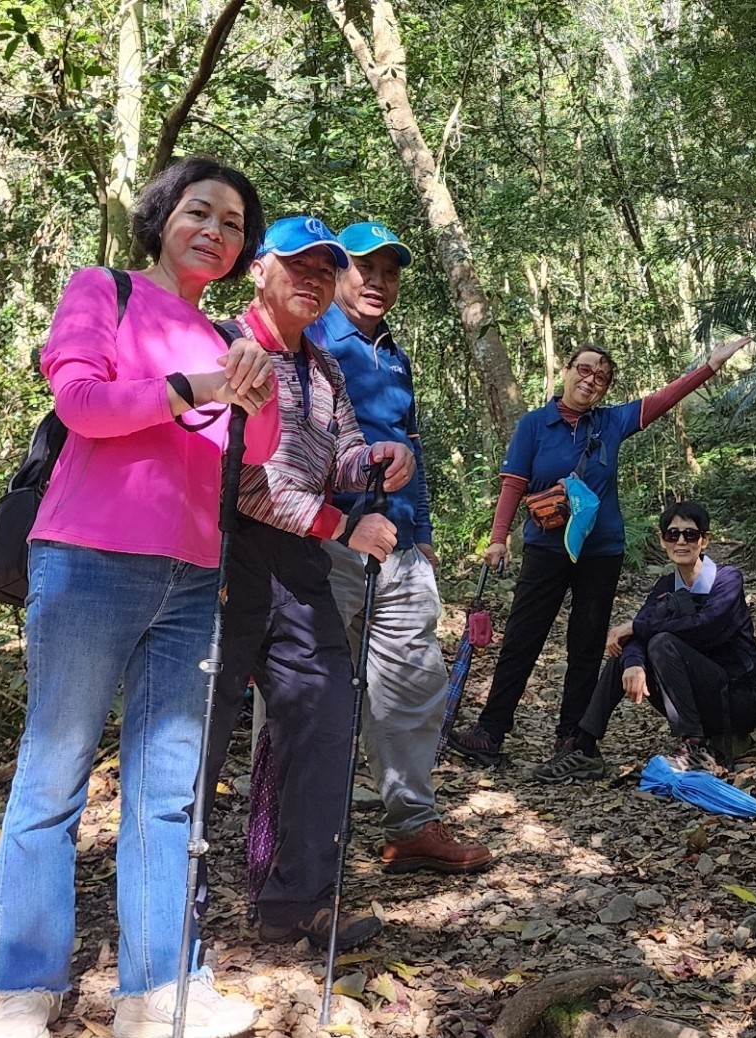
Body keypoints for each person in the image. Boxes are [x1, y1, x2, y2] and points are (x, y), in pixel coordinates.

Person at [0, 157, 278, 1038]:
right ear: (163, 216)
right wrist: (198, 385)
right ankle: (24, 988)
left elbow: (253, 448)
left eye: (232, 224)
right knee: (53, 771)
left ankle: (156, 991)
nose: (215, 232)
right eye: (200, 212)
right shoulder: (101, 289)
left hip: (192, 576)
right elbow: (83, 405)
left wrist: (251, 382)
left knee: (167, 789)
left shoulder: (228, 331)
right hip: (85, 559)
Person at [201, 216, 416, 951]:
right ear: (258, 268)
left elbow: (342, 455)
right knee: (199, 724)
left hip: (298, 563)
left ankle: (297, 900)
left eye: (325, 270)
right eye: (298, 264)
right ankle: (171, 903)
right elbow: (240, 481)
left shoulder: (322, 370)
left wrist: (378, 460)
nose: (313, 279)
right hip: (219, 558)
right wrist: (339, 526)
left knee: (324, 716)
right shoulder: (222, 347)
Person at [447, 336, 753, 770]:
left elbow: (663, 399)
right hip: (545, 548)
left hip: (601, 552)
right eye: (585, 370)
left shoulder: (610, 423)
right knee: (521, 640)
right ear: (567, 370)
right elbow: (514, 482)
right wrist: (498, 538)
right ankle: (490, 732)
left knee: (586, 645)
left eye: (602, 378)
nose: (591, 381)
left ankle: (573, 739)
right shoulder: (534, 425)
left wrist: (711, 366)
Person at [309, 221, 492, 873]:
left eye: (391, 271)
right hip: (325, 535)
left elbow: (412, 446)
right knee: (310, 682)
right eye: (366, 268)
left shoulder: (394, 353)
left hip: (400, 542)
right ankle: (297, 842)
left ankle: (411, 824)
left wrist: (426, 535)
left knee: (415, 680)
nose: (378, 281)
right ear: (337, 273)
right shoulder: (307, 336)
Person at [532, 501, 756, 781]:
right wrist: (633, 663)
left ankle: (695, 748)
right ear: (662, 540)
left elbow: (706, 627)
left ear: (704, 540)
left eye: (690, 535)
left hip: (737, 700)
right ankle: (584, 747)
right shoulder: (666, 586)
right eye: (672, 534)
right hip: (699, 698)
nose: (681, 541)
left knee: (661, 641)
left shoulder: (727, 580)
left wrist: (638, 627)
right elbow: (636, 633)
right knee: (627, 653)